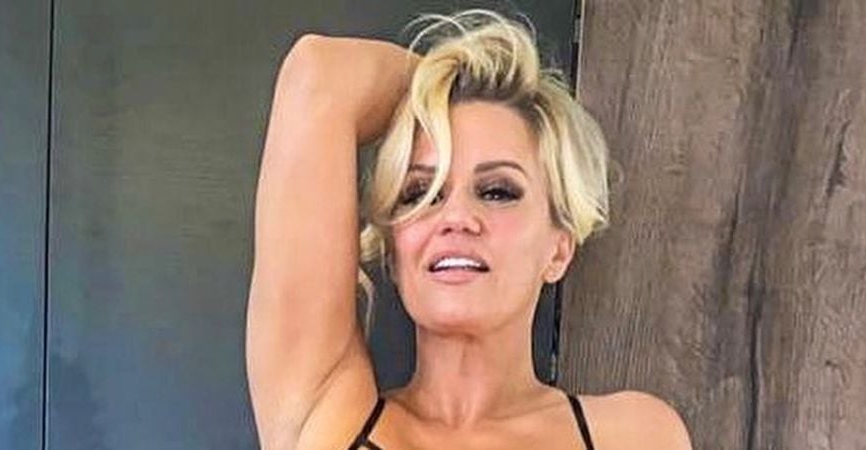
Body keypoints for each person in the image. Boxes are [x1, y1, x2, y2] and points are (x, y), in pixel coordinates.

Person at [246, 9, 691, 450]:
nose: (455, 217)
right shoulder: (328, 414)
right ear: (394, 253)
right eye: (421, 192)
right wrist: (444, 84)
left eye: (497, 191)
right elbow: (320, 76)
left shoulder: (635, 435)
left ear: (559, 249)